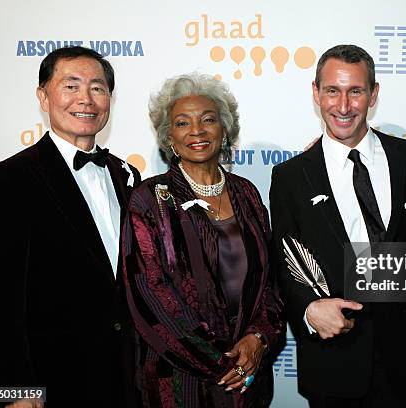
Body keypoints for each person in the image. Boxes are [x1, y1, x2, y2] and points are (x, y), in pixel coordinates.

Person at [269, 44, 406, 407]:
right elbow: (283, 261)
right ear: (316, 93)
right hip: (331, 364)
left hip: (403, 365)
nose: (343, 106)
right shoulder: (291, 177)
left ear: (373, 95)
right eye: (332, 91)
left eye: (355, 91)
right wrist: (309, 309)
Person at [0, 46, 141, 407]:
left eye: (98, 88)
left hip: (127, 382)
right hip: (51, 386)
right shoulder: (9, 179)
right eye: (71, 86)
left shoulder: (127, 175)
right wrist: (13, 393)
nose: (86, 99)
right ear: (43, 96)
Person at [122, 73, 285, 408]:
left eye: (208, 119)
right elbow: (150, 295)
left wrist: (258, 339)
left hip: (250, 379)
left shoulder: (247, 193)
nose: (196, 131)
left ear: (224, 129)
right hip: (182, 383)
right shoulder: (149, 199)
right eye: (183, 123)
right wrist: (223, 362)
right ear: (169, 137)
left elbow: (271, 281)